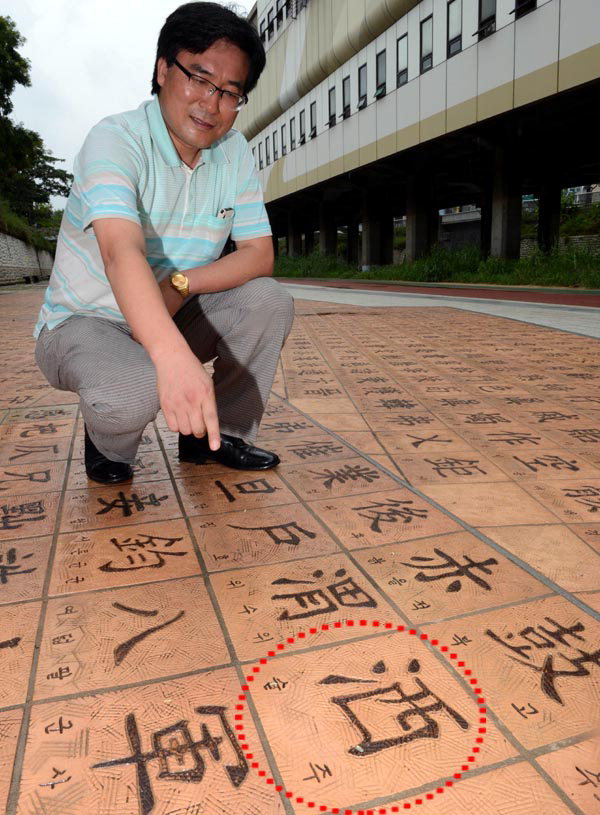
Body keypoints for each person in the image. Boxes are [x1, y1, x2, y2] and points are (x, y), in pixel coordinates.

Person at [34, 2, 294, 485]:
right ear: (162, 69)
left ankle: (216, 435)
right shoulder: (115, 139)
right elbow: (120, 250)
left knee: (269, 301)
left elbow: (260, 255)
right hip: (86, 322)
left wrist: (181, 282)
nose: (210, 104)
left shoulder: (232, 151)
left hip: (173, 307)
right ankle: (108, 438)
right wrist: (173, 360)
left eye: (229, 93)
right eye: (198, 77)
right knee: (134, 391)